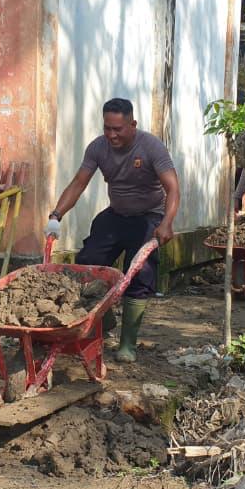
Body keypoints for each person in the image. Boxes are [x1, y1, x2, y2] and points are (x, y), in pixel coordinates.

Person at [47, 98, 180, 363]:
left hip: (149, 217)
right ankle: (102, 318)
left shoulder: (151, 147)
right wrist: (56, 215)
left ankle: (128, 344)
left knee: (140, 272)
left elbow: (173, 188)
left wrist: (166, 223)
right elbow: (78, 183)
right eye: (107, 128)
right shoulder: (98, 147)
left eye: (118, 129)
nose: (111, 135)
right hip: (116, 214)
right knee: (87, 263)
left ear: (132, 124)